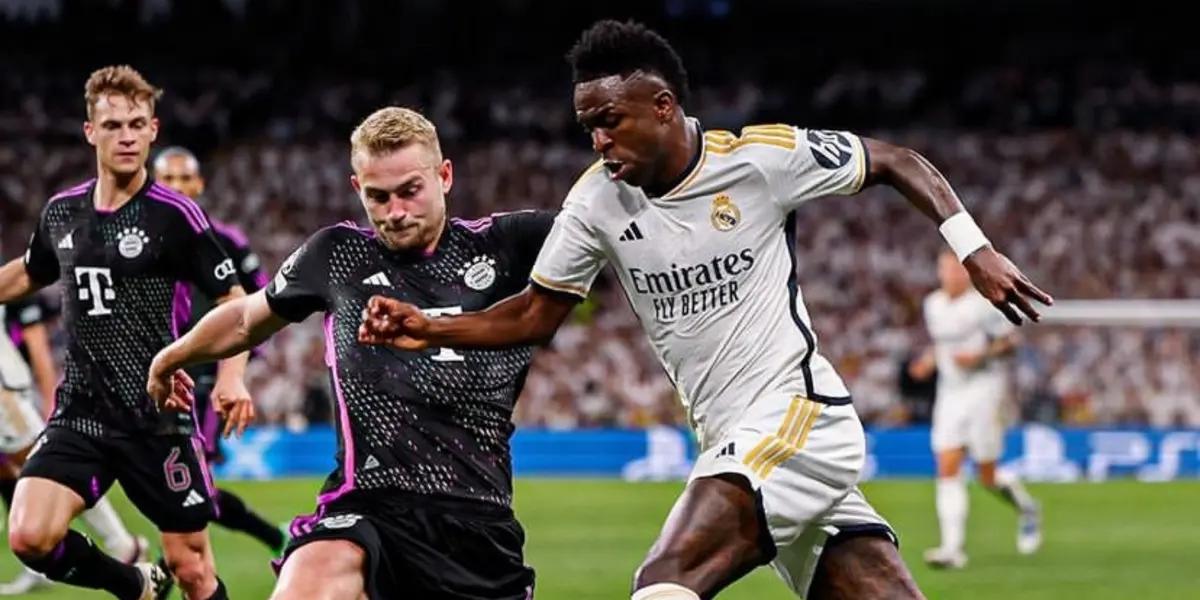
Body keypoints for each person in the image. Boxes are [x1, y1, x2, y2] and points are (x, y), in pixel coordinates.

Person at [358, 20, 1052, 600]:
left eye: (609, 122)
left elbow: (896, 159)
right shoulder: (596, 202)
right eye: (587, 127)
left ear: (662, 108)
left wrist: (974, 248)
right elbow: (534, 314)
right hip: (732, 439)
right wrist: (430, 325)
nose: (598, 141)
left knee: (663, 582)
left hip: (797, 420)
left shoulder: (760, 160)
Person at [146, 106, 552, 600]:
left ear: (444, 176)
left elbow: (609, 221)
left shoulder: (509, 245)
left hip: (477, 523)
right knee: (310, 578)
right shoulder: (336, 254)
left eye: (410, 191)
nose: (395, 212)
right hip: (367, 507)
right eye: (378, 197)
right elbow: (246, 318)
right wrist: (170, 358)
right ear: (357, 188)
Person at [0, 65, 254, 600]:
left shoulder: (176, 216)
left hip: (156, 418)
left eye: (137, 124)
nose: (127, 136)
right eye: (114, 125)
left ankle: (160, 581)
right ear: (90, 131)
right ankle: (134, 584)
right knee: (28, 535)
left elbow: (237, 302)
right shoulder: (62, 212)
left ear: (154, 130)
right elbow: (29, 271)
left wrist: (233, 378)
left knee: (192, 571)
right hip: (82, 412)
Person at [153, 146, 287, 556]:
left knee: (193, 481)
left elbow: (261, 301)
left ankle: (176, 566)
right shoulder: (139, 243)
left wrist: (237, 368)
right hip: (156, 376)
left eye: (184, 179)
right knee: (173, 482)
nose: (177, 187)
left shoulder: (226, 240)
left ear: (199, 184)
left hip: (205, 377)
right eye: (167, 179)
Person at [0, 292, 151, 595]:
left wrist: (47, 395)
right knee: (11, 473)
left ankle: (123, 546)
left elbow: (38, 344)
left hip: (5, 396)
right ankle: (38, 558)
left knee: (46, 468)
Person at [909, 250, 1042, 569]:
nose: (952, 275)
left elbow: (1010, 343)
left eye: (957, 270)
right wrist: (929, 361)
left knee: (987, 475)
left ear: (967, 274)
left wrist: (980, 354)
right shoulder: (933, 305)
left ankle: (1027, 508)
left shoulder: (984, 305)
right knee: (947, 465)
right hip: (950, 393)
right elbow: (943, 343)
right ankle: (952, 549)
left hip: (984, 390)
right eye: (946, 270)